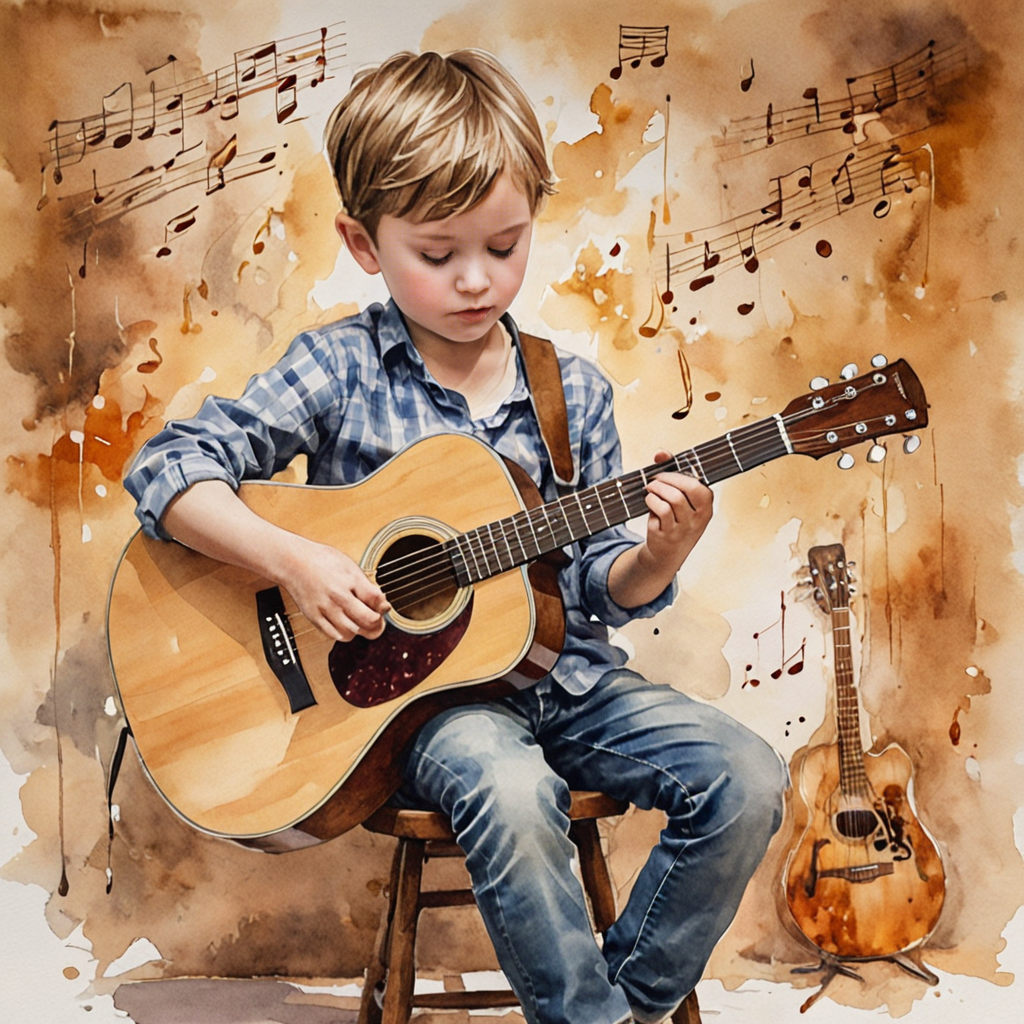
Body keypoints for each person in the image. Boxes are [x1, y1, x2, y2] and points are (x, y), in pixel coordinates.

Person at [125, 49, 787, 1024]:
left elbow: (600, 589)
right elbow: (166, 471)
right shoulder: (338, 370)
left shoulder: (572, 392)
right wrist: (297, 562)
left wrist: (658, 553)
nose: (477, 280)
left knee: (744, 774)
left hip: (569, 684)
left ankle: (619, 1004)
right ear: (363, 243)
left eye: (505, 245)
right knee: (510, 789)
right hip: (422, 711)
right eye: (437, 255)